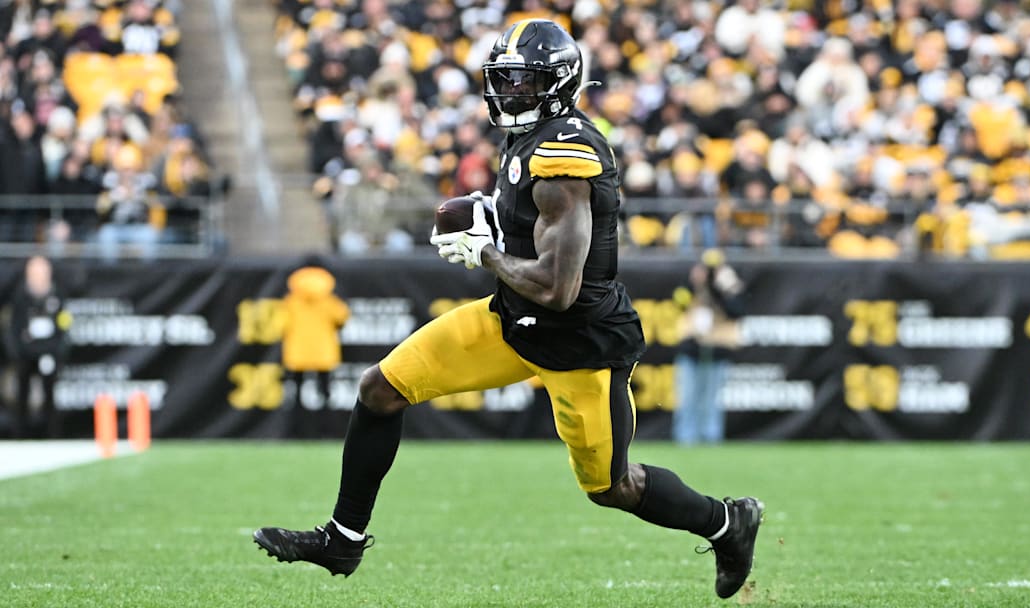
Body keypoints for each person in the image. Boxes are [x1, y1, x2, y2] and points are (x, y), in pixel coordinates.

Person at [253, 20, 763, 600]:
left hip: (578, 342)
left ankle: (728, 523)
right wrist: (497, 223)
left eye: (521, 81)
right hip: (511, 321)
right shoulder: (527, 137)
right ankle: (341, 541)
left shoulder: (563, 156)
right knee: (381, 389)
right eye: (503, 79)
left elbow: (558, 288)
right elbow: (532, 239)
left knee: (612, 486)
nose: (508, 92)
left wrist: (487, 251)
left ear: (558, 83)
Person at [673, 250, 745, 445]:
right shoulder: (692, 282)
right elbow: (678, 302)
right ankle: (685, 438)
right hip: (692, 348)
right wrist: (693, 282)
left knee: (711, 400)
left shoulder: (729, 284)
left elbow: (737, 311)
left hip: (717, 349)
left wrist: (724, 287)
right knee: (688, 397)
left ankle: (711, 438)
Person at [4, 256, 70, 438]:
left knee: (50, 396)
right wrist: (18, 352)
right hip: (25, 354)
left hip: (49, 354)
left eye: (43, 272)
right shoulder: (20, 296)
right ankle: (20, 436)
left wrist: (56, 351)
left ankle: (52, 436)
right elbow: (14, 328)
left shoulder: (57, 295)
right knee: (21, 396)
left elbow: (64, 326)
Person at [281, 264, 350, 411]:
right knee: (324, 389)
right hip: (323, 350)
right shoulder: (329, 301)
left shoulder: (291, 301)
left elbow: (280, 323)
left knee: (297, 389)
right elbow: (342, 317)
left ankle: (296, 425)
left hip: (297, 350)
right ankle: (324, 426)